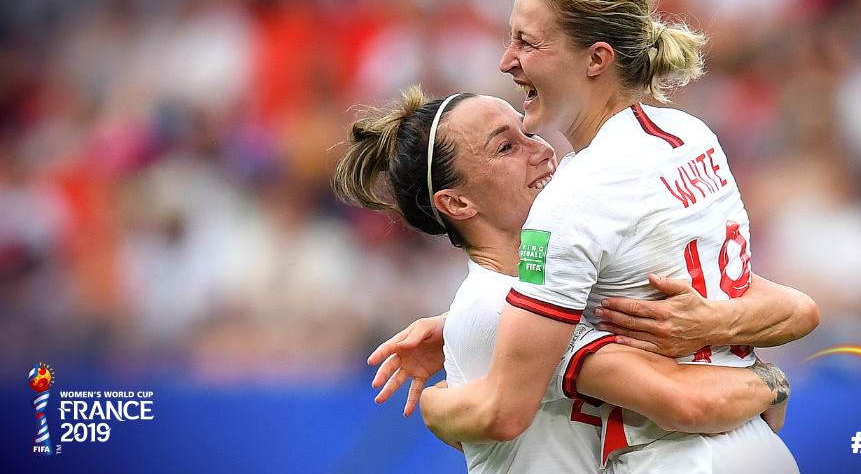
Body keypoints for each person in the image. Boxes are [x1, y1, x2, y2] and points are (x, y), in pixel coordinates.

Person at [417, 0, 810, 472]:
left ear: (596, 59)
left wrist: (432, 405)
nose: (506, 60)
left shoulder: (571, 197)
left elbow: (504, 409)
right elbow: (773, 300)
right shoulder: (691, 136)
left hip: (673, 457)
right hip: (762, 446)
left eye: (527, 42)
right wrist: (457, 326)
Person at [333, 86, 814, 473]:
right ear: (458, 204)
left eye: (526, 132)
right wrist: (770, 379)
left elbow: (795, 308)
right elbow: (687, 402)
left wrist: (715, 319)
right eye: (505, 147)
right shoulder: (504, 310)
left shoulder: (565, 280)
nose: (541, 150)